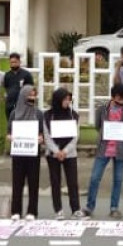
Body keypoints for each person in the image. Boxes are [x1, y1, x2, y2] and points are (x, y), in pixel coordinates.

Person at [85, 83, 123, 219]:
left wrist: (120, 136)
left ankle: (114, 207)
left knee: (118, 180)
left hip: (120, 149)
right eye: (119, 98)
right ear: (113, 97)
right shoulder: (102, 109)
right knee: (95, 178)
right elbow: (97, 126)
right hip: (104, 148)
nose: (121, 101)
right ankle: (89, 206)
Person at [43, 87, 83, 220]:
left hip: (70, 154)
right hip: (53, 154)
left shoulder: (74, 115)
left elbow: (75, 137)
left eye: (69, 99)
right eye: (65, 99)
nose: (67, 102)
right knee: (55, 181)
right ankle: (58, 210)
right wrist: (56, 151)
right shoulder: (48, 116)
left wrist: (65, 151)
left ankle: (76, 209)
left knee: (72, 182)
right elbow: (46, 136)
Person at [7, 84, 44, 220]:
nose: (32, 97)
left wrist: (41, 139)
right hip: (18, 152)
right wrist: (10, 137)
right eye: (29, 95)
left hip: (33, 153)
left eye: (34, 95)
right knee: (17, 182)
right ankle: (15, 211)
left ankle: (32, 211)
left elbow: (42, 132)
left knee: (33, 183)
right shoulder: (14, 113)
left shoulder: (38, 113)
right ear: (23, 96)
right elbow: (9, 132)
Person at [2, 52, 34, 133]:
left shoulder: (26, 74)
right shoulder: (7, 75)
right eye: (11, 62)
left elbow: (30, 90)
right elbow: (6, 88)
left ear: (19, 62)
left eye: (15, 62)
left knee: (22, 126)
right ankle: (13, 144)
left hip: (22, 106)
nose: (13, 64)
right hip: (9, 105)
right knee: (11, 126)